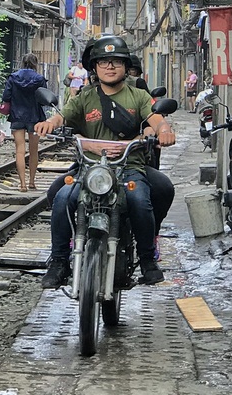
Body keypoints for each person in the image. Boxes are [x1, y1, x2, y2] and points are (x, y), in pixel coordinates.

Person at [35, 35, 176, 288]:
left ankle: (147, 260)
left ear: (125, 67)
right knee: (62, 197)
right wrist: (49, 123)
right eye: (103, 62)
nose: (109, 67)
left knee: (139, 200)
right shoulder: (85, 97)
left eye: (116, 62)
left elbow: (156, 119)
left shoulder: (139, 97)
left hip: (128, 168)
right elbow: (62, 118)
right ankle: (58, 261)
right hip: (89, 169)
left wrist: (164, 129)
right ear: (95, 67)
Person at [2, 53, 47, 192]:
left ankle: (22, 184)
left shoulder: (13, 77)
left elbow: (6, 96)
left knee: (19, 151)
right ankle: (32, 182)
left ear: (23, 62)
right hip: (35, 117)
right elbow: (44, 98)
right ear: (35, 63)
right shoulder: (39, 79)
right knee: (34, 151)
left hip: (17, 116)